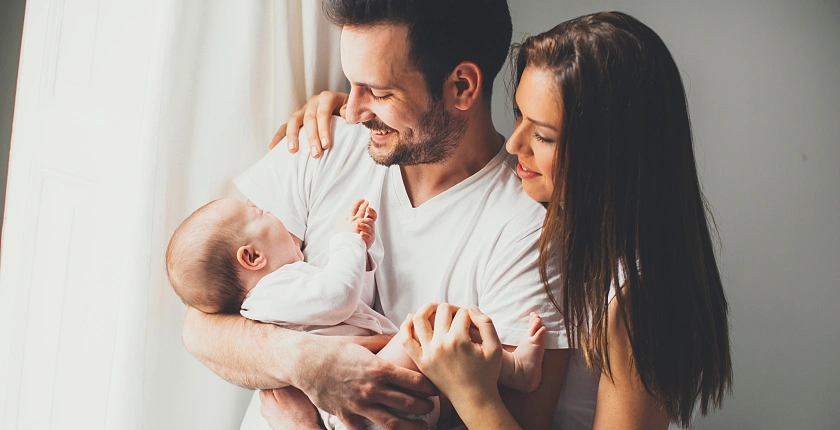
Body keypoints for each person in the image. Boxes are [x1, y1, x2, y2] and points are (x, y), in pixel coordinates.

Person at [285, 10, 733, 430]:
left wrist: (470, 390)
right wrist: (375, 107)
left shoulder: (636, 298)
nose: (515, 144)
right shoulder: (565, 226)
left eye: (542, 134)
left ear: (610, 155)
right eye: (519, 115)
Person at [181, 1, 578, 429]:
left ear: (462, 86)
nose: (351, 112)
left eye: (379, 92)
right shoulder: (321, 142)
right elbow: (200, 325)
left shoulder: (527, 233)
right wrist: (308, 362)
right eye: (351, 85)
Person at [167, 197, 549, 429]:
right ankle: (515, 371)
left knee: (448, 366)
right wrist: (346, 240)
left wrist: (361, 249)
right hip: (358, 410)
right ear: (252, 256)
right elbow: (338, 296)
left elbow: (347, 302)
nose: (273, 213)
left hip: (368, 404)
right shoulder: (271, 293)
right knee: (431, 327)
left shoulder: (284, 292)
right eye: (260, 212)